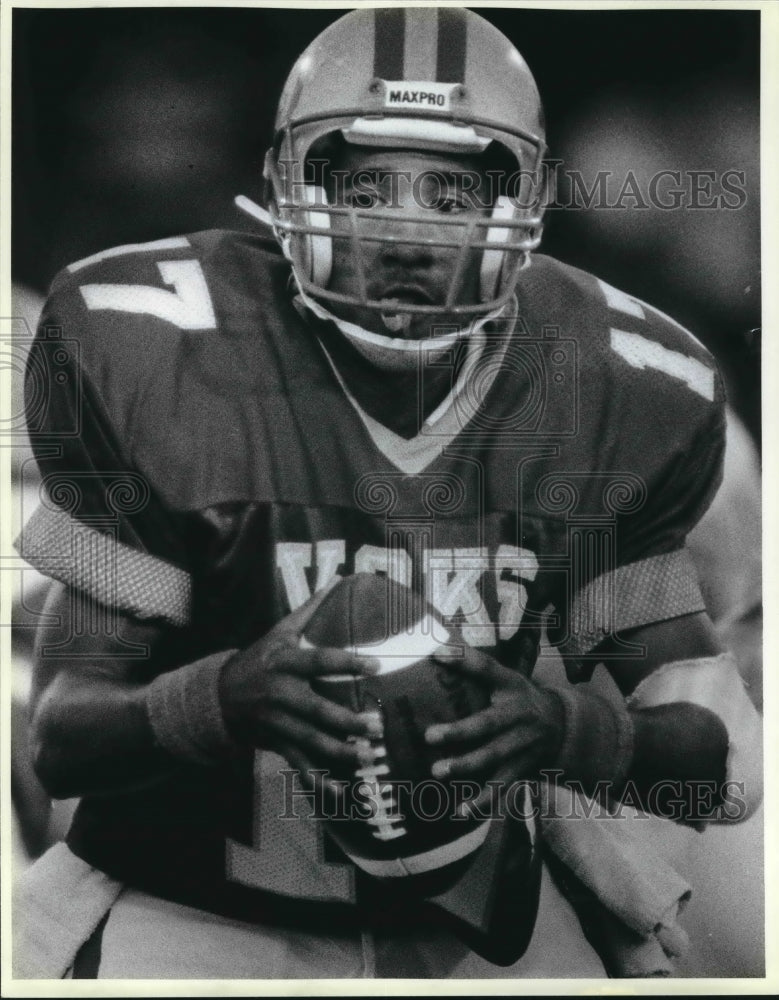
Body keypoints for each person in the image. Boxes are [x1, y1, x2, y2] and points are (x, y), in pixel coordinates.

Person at [13, 6, 762, 981]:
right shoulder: (164, 367)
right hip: (201, 905)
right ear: (289, 185)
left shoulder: (600, 398)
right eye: (366, 186)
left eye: (449, 195)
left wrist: (570, 731)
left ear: (520, 202)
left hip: (475, 907)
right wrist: (220, 700)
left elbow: (725, 775)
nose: (406, 234)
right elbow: (64, 738)